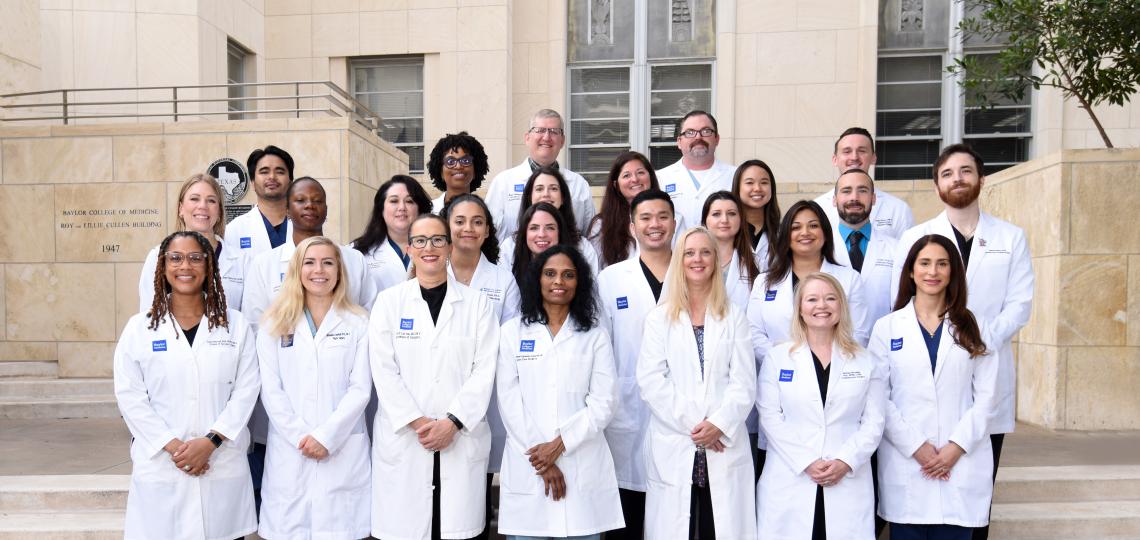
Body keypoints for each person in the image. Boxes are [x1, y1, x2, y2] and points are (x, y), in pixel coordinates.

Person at [890, 144, 1033, 540]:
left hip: (985, 371)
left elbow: (1019, 305)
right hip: (922, 377)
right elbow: (899, 300)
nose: (958, 179)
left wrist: (974, 341)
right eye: (948, 173)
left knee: (974, 494)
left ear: (981, 179)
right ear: (937, 185)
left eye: (966, 171)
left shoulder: (1010, 236)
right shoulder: (917, 237)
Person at [114, 231, 260, 540]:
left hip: (220, 462)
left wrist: (210, 443)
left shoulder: (236, 325)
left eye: (196, 258)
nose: (186, 266)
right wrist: (175, 447)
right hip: (163, 466)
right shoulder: (139, 328)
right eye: (176, 258)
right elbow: (130, 397)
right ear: (163, 267)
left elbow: (246, 391)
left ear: (209, 266)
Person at [369, 214, 499, 540]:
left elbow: (484, 371)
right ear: (410, 248)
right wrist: (419, 423)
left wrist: (451, 423)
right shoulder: (389, 303)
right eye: (421, 241)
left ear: (450, 247)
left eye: (438, 240)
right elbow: (384, 371)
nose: (430, 248)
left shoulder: (477, 304)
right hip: (407, 439)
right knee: (408, 528)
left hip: (458, 437)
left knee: (454, 528)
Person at [873, 234, 999, 539]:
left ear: (953, 272)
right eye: (925, 263)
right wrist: (915, 446)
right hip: (907, 462)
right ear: (910, 271)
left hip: (960, 464)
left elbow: (988, 396)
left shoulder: (975, 325)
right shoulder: (887, 327)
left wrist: (956, 447)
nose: (933, 272)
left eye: (942, 264)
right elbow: (878, 398)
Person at [496, 245, 625, 539]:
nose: (559, 282)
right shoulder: (512, 333)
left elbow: (604, 402)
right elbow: (509, 400)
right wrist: (543, 459)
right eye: (550, 274)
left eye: (568, 275)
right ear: (537, 279)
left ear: (579, 283)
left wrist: (560, 444)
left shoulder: (595, 335)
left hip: (581, 464)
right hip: (530, 464)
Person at [638, 227, 757, 540]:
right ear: (679, 260)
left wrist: (719, 424)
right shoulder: (658, 319)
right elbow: (651, 382)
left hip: (723, 443)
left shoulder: (734, 316)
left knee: (719, 527)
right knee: (678, 527)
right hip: (678, 442)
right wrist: (700, 427)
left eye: (706, 252)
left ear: (716, 260)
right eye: (689, 253)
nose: (698, 259)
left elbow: (744, 382)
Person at [255, 236, 372, 540]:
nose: (318, 270)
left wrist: (326, 436)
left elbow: (360, 388)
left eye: (327, 262)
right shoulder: (273, 324)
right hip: (291, 448)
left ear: (339, 271)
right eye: (309, 262)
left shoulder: (359, 322)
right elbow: (271, 390)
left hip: (343, 447)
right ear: (297, 270)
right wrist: (301, 437)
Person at [756, 272, 885, 540]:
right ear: (800, 309)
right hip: (791, 478)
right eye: (812, 299)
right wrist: (806, 462)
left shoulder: (865, 360)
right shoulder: (778, 358)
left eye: (830, 298)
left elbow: (874, 422)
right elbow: (770, 417)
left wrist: (844, 460)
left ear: (842, 306)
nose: (821, 306)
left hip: (846, 478)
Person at [596, 189, 676, 539]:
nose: (654, 225)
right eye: (645, 218)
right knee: (626, 513)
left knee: (673, 513)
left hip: (679, 410)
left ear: (675, 222)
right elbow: (600, 350)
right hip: (626, 410)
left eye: (662, 217)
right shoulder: (611, 278)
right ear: (631, 227)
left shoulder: (693, 271)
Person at [441, 192, 521, 540]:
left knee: (475, 501)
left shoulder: (502, 281)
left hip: (483, 403)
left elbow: (508, 343)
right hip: (434, 399)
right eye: (459, 221)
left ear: (488, 231)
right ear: (447, 226)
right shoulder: (428, 272)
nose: (468, 229)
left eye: (477, 222)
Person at [243, 177, 377, 330]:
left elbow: (369, 315)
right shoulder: (264, 264)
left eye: (317, 201)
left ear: (326, 210)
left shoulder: (354, 259)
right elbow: (254, 324)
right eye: (300, 200)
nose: (309, 206)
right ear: (287, 210)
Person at [748, 200, 871, 365]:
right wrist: (784, 361)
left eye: (813, 226)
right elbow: (754, 334)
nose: (805, 232)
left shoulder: (849, 279)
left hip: (835, 371)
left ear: (825, 233)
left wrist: (823, 363)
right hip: (779, 372)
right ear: (786, 235)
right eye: (796, 227)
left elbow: (859, 334)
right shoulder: (764, 282)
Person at [138, 173, 245, 311]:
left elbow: (251, 321)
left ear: (219, 212)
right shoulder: (157, 257)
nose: (203, 206)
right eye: (194, 199)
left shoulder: (243, 262)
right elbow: (149, 315)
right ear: (180, 209)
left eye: (211, 200)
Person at [486, 109, 596, 240]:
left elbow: (590, 235)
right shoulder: (503, 182)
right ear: (527, 138)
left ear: (562, 141)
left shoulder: (579, 184)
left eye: (554, 131)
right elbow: (489, 234)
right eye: (540, 130)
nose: (546, 137)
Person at [813, 128, 914, 239]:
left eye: (862, 151)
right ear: (835, 159)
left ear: (873, 158)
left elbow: (909, 253)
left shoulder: (898, 209)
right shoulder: (817, 209)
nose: (854, 157)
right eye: (847, 151)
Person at [830, 168, 899, 328]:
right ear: (834, 200)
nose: (854, 198)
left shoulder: (895, 249)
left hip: (883, 344)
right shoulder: (820, 249)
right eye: (846, 191)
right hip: (834, 345)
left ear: (873, 198)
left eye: (862, 190)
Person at [352, 174, 434, 293]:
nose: (402, 207)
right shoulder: (356, 252)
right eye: (394, 201)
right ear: (381, 209)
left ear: (420, 209)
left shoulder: (438, 247)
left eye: (409, 201)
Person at [655, 111, 736, 228]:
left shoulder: (735, 175)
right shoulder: (660, 178)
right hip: (676, 247)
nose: (698, 137)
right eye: (690, 132)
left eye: (706, 131)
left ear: (717, 139)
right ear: (679, 142)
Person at [586, 151, 665, 268]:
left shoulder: (670, 217)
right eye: (626, 175)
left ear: (651, 177)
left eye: (640, 173)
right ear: (615, 184)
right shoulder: (601, 224)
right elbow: (595, 270)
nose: (635, 179)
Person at [500, 202, 600, 282]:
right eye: (534, 228)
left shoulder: (578, 260)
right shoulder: (510, 258)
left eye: (550, 228)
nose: (542, 234)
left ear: (559, 232)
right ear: (524, 233)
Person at [225, 145, 294, 255]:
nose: (272, 177)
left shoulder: (304, 224)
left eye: (280, 171)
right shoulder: (234, 230)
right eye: (264, 172)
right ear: (252, 183)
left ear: (290, 182)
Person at [701, 191, 760, 309]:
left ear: (741, 219)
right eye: (716, 214)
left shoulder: (756, 262)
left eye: (732, 214)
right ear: (705, 221)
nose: (724, 220)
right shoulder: (691, 261)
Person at [731, 159, 781, 269]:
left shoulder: (782, 232)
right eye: (749, 183)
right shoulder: (727, 230)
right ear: (737, 187)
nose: (757, 188)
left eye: (764, 183)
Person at [428, 131, 490, 214]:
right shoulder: (428, 210)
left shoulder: (486, 212)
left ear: (475, 170)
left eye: (466, 160)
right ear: (441, 172)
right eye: (450, 161)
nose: (458, 166)